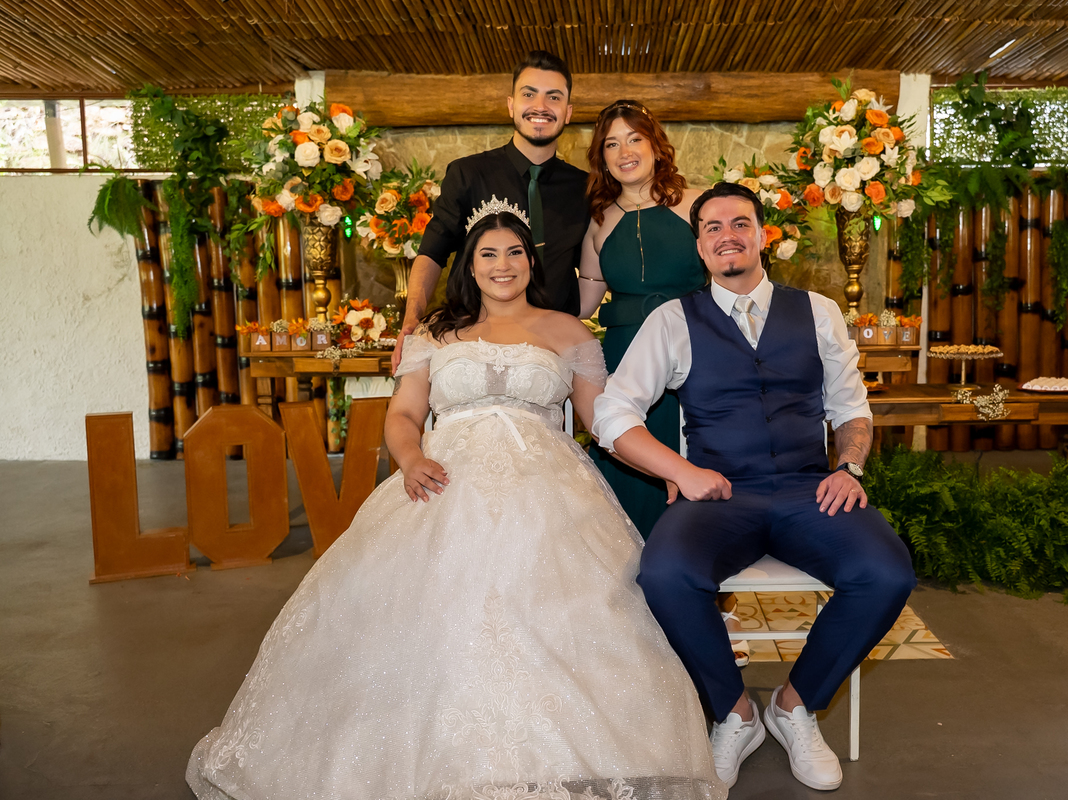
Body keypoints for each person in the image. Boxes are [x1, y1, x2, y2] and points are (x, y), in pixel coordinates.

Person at [186, 205, 724, 800]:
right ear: (469, 266)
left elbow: (604, 422)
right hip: (443, 481)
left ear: (531, 262)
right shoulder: (434, 335)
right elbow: (403, 414)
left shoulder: (569, 332)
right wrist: (410, 458)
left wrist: (665, 466)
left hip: (549, 493)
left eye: (514, 252)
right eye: (488, 254)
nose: (502, 265)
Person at [591, 183, 917, 792]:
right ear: (699, 247)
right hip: (719, 494)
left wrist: (848, 468)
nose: (727, 236)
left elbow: (851, 408)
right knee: (664, 574)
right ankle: (735, 714)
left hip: (807, 489)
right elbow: (612, 413)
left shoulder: (818, 311)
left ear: (763, 234)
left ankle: (795, 705)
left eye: (740, 222)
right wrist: (680, 472)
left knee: (887, 572)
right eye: (712, 228)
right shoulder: (673, 320)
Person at [391, 49, 589, 372]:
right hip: (472, 349)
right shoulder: (468, 174)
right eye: (529, 94)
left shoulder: (585, 188)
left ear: (568, 112)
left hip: (552, 358)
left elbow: (597, 266)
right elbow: (432, 252)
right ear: (511, 104)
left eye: (553, 97)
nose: (540, 106)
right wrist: (411, 321)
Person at [577, 99, 706, 540]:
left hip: (693, 350)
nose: (625, 151)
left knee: (691, 450)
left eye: (634, 139)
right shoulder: (599, 221)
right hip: (624, 355)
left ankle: (693, 560)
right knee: (627, 455)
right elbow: (583, 305)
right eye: (612, 144)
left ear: (655, 146)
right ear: (602, 157)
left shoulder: (695, 204)